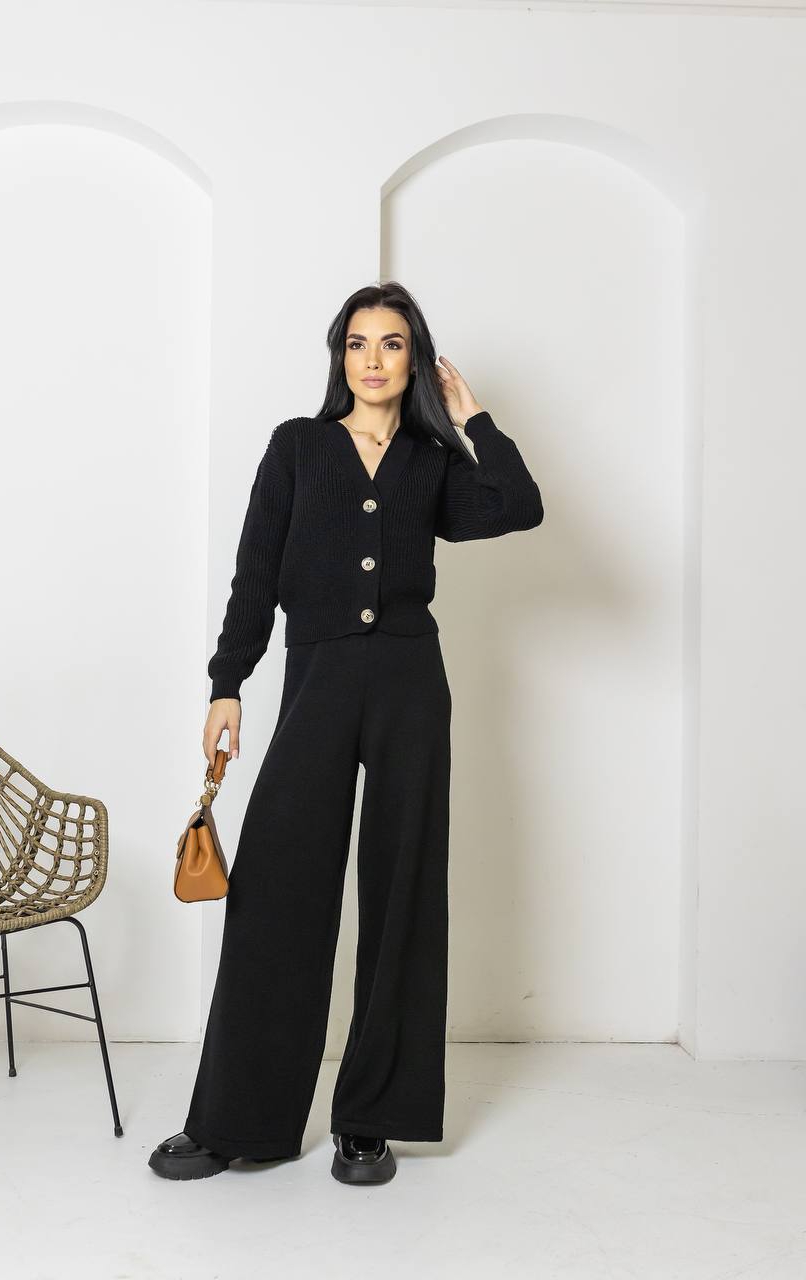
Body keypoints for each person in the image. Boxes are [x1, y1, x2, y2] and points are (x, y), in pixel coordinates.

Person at [148, 280, 543, 1186]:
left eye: (393, 344)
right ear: (340, 356)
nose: (373, 359)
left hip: (410, 680)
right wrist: (227, 682)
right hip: (317, 677)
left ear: (417, 359)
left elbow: (519, 507)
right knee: (280, 884)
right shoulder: (297, 448)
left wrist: (474, 420)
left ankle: (372, 1118)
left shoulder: (434, 460)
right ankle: (237, 1119)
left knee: (403, 889)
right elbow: (255, 570)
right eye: (358, 343)